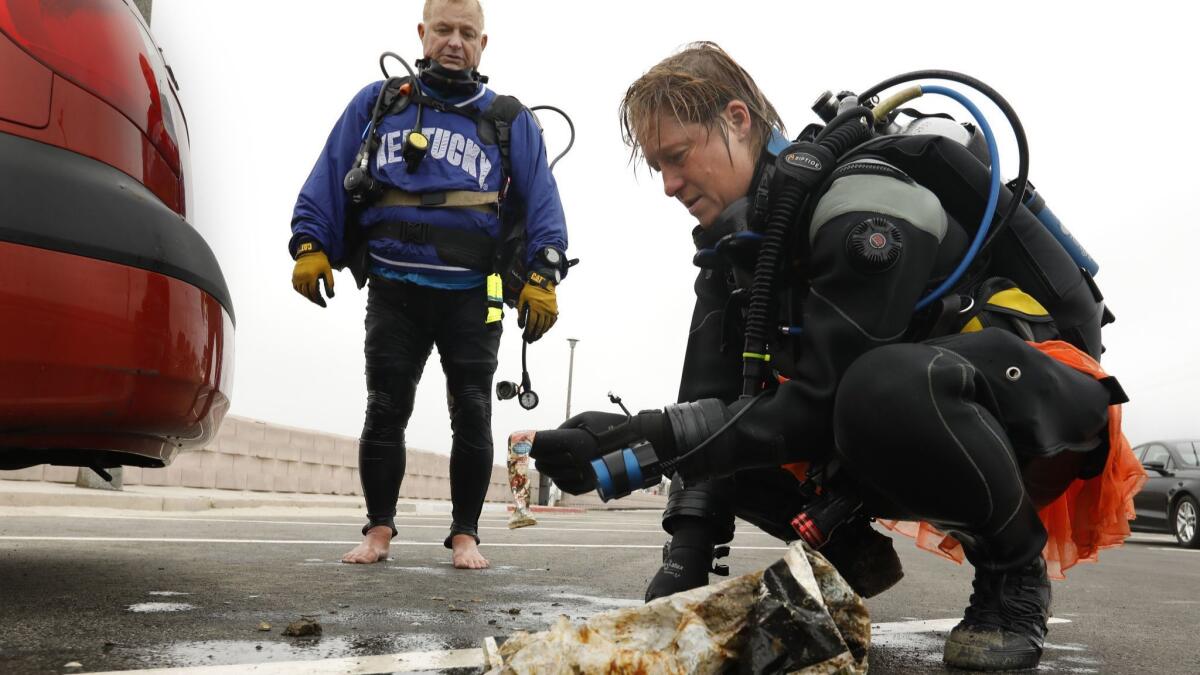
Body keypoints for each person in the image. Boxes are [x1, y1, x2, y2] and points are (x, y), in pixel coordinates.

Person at [528, 43, 1141, 670]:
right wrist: (678, 563)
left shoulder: (863, 199)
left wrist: (644, 441)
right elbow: (704, 403)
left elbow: (820, 402)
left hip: (1040, 407)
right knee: (730, 421)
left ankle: (1013, 575)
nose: (668, 185)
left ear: (738, 120)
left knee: (877, 386)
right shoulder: (737, 253)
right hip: (904, 416)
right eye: (657, 166)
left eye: (678, 157)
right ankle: (845, 544)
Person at [288, 0, 568, 570]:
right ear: (422, 34)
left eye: (468, 33)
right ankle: (379, 531)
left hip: (478, 292)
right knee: (385, 407)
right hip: (394, 286)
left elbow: (544, 202)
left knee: (472, 409)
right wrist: (310, 244)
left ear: (484, 44)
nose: (455, 42)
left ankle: (465, 534)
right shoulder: (379, 102)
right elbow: (330, 173)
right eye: (444, 30)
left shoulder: (510, 120)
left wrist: (544, 274)